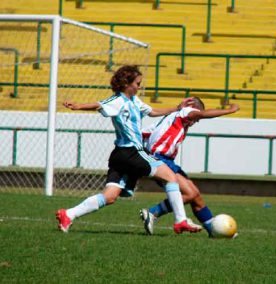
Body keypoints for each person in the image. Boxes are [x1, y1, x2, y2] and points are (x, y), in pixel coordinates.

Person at [56, 65, 201, 234]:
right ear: (127, 83)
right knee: (170, 176)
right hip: (131, 152)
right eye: (137, 83)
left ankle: (68, 214)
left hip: (120, 155)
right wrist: (79, 105)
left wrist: (178, 109)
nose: (139, 87)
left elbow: (153, 111)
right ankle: (180, 221)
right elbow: (100, 104)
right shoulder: (118, 100)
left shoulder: (134, 101)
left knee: (110, 196)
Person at [140, 97, 239, 236]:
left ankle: (213, 231)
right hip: (159, 159)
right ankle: (153, 212)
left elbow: (144, 133)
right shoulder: (185, 112)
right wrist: (230, 110)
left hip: (165, 160)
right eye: (196, 116)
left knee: (195, 195)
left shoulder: (170, 119)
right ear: (194, 108)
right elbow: (201, 114)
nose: (196, 121)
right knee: (190, 193)